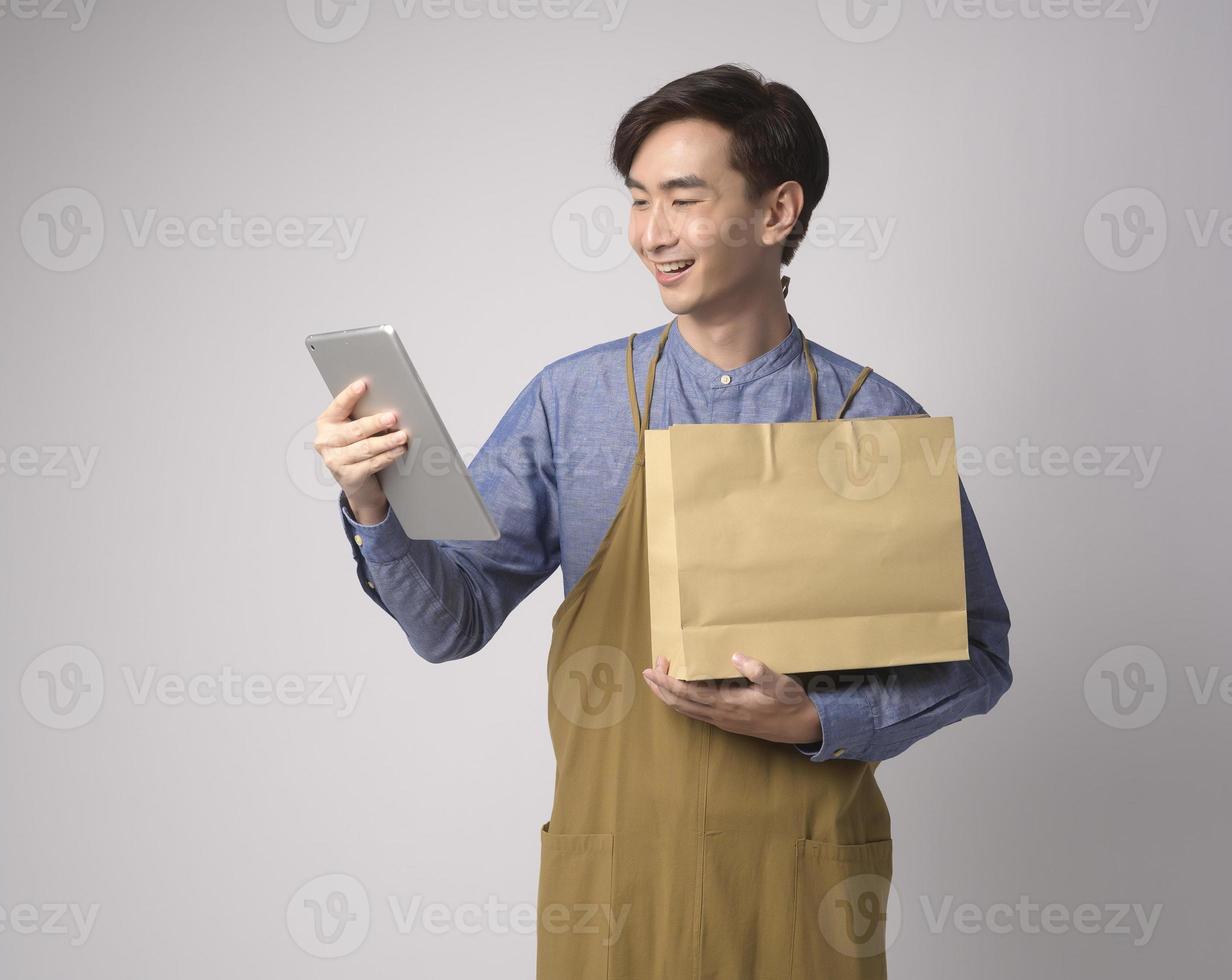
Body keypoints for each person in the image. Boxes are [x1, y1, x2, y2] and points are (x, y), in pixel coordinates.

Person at [312, 63, 1012, 980]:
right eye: (638, 201)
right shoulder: (574, 401)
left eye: (683, 199)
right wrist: (374, 508)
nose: (651, 234)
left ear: (776, 212)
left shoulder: (873, 421)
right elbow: (450, 624)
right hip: (615, 888)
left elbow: (978, 659)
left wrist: (817, 720)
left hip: (799, 890)